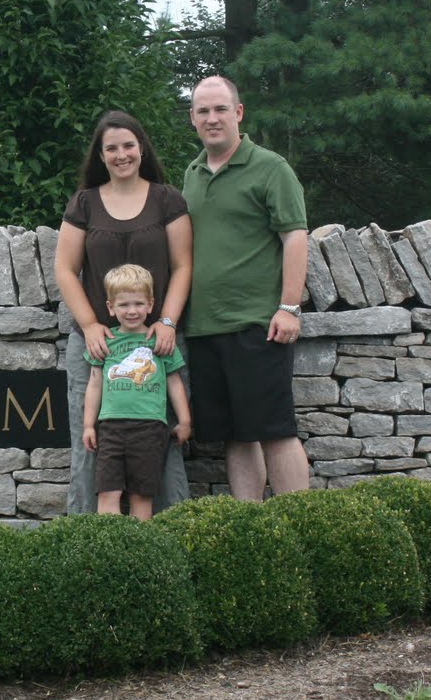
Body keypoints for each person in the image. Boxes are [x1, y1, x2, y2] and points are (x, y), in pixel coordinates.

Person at [54, 110, 193, 515]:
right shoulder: (85, 203)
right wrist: (90, 324)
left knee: (162, 444)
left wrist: (166, 321)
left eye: (128, 145)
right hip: (99, 348)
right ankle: (87, 543)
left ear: (141, 148)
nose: (121, 155)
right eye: (111, 148)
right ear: (100, 155)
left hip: (158, 343)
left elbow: (183, 265)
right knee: (91, 446)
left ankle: (169, 537)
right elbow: (65, 269)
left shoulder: (167, 199)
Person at [182, 75, 312, 501]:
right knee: (235, 436)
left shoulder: (271, 168)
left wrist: (289, 307)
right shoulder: (193, 173)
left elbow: (294, 236)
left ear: (238, 113)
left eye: (221, 109)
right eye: (203, 111)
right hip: (204, 328)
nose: (212, 118)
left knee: (275, 431)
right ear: (193, 119)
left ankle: (303, 524)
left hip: (258, 324)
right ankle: (250, 530)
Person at [82, 264, 193, 520]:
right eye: (123, 305)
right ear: (110, 307)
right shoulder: (105, 341)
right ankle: (109, 553)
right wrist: (89, 425)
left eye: (138, 303)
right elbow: (95, 383)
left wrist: (184, 421)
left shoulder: (160, 341)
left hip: (150, 428)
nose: (132, 311)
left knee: (141, 496)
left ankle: (138, 554)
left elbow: (175, 383)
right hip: (110, 427)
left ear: (150, 304)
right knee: (108, 492)